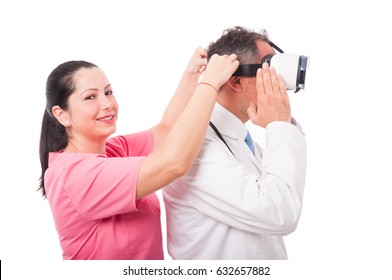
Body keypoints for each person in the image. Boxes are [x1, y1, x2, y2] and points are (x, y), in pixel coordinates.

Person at [38, 49, 239, 260]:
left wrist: (192, 75)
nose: (107, 104)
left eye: (108, 92)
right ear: (62, 115)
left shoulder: (114, 151)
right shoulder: (75, 174)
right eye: (90, 97)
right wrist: (210, 85)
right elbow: (174, 163)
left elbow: (166, 130)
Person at [162, 26, 307, 259]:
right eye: (269, 71)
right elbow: (281, 212)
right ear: (236, 82)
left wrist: (283, 125)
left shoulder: (243, 141)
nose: (279, 83)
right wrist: (280, 125)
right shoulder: (197, 149)